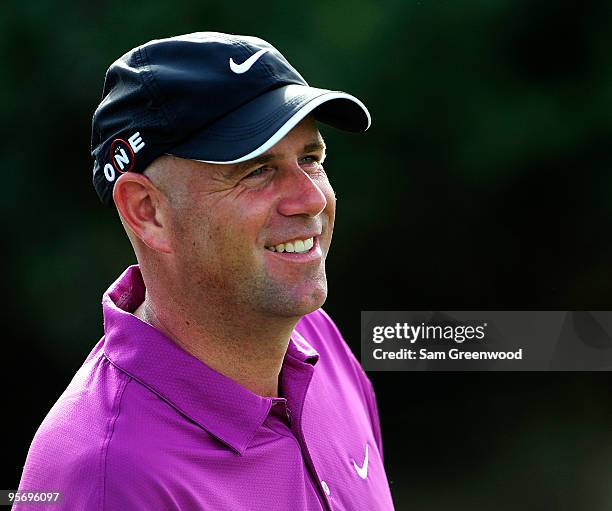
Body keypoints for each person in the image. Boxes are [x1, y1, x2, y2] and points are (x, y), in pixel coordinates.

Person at [15, 32, 395, 510]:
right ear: (148, 210)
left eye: (311, 159)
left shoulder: (317, 341)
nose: (312, 199)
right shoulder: (106, 480)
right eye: (256, 169)